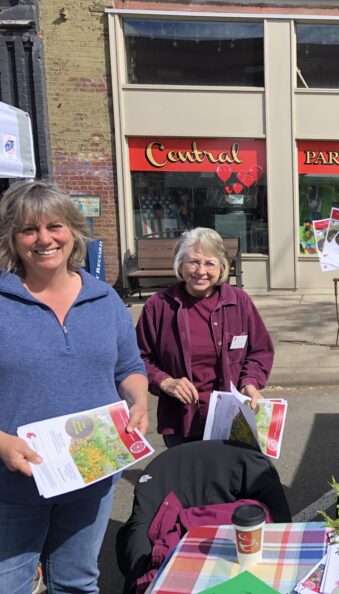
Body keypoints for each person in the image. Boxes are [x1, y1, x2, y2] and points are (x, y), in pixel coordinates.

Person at [0, 181, 149, 593]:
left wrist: (138, 399)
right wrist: (1, 443)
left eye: (55, 226)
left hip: (91, 472)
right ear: (13, 239)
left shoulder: (105, 300)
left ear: (74, 231)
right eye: (29, 230)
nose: (44, 238)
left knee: (77, 581)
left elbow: (129, 367)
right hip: (14, 480)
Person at [136, 227, 274, 448]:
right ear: (180, 264)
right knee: (187, 480)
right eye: (193, 262)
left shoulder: (238, 302)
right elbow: (139, 358)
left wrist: (250, 383)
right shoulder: (159, 306)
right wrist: (165, 381)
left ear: (221, 267)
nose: (201, 271)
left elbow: (259, 351)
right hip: (181, 419)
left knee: (228, 479)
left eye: (210, 263)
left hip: (231, 417)